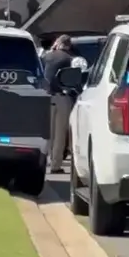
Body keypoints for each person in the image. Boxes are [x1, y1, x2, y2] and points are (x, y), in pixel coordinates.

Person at [42, 34, 77, 174]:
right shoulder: (69, 59)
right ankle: (55, 165)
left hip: (46, 96)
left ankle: (43, 161)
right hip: (62, 97)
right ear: (69, 45)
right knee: (60, 133)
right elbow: (74, 81)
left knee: (47, 132)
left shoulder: (46, 57)